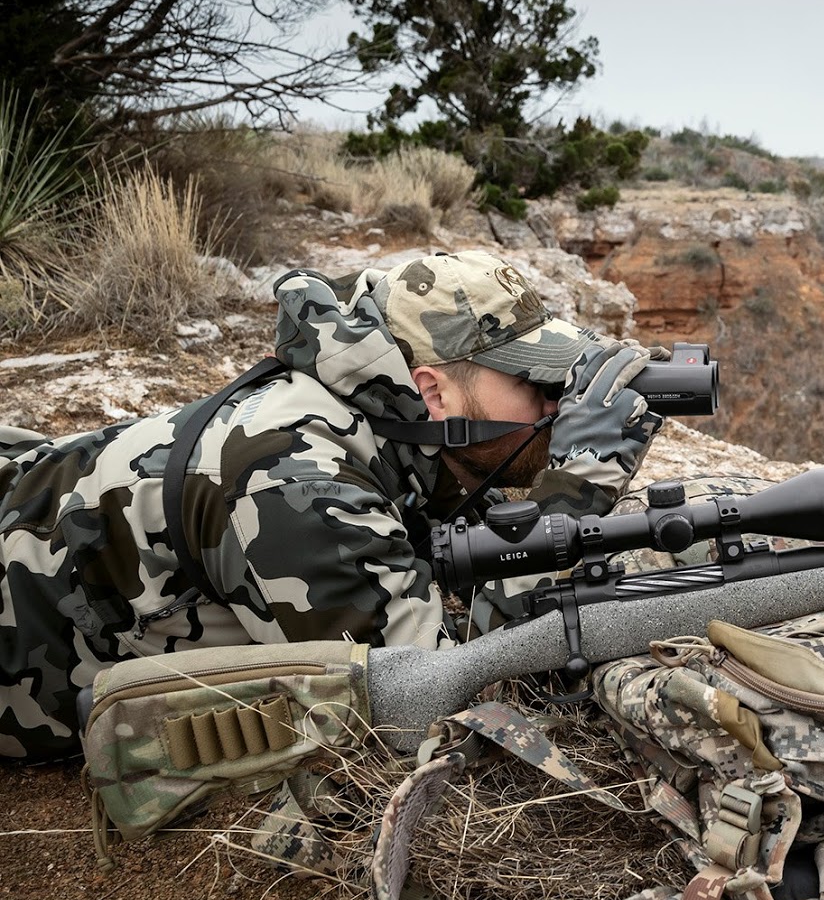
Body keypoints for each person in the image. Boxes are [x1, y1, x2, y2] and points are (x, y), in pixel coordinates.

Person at [0, 250, 663, 762]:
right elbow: (431, 708)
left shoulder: (383, 427)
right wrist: (575, 490)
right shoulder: (299, 487)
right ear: (433, 392)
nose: (558, 407)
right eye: (538, 383)